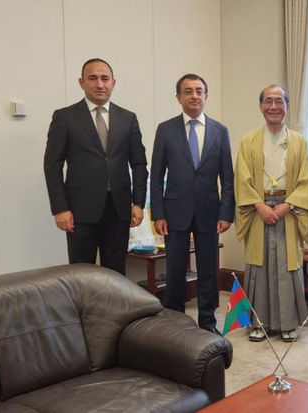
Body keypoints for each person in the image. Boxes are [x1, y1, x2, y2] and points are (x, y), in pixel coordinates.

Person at [44, 58, 147, 275]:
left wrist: (138, 202)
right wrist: (60, 208)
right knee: (81, 273)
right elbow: (52, 165)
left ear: (113, 83)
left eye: (105, 78)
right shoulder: (65, 117)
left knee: (115, 273)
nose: (99, 84)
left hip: (119, 209)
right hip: (79, 211)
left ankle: (114, 301)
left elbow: (139, 163)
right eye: (92, 78)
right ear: (81, 82)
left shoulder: (128, 118)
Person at [150, 74, 234, 334]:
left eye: (199, 91)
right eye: (188, 91)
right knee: (175, 270)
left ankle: (207, 323)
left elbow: (227, 177)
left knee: (208, 271)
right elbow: (156, 175)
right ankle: (176, 325)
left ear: (206, 96)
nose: (194, 96)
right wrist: (158, 214)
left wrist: (226, 212)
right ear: (179, 97)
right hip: (174, 211)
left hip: (209, 211)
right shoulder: (166, 130)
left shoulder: (220, 131)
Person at [234, 85, 308, 342]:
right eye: (268, 101)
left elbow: (307, 180)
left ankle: (289, 323)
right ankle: (260, 323)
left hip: (288, 210)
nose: (273, 107)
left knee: (288, 266)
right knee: (258, 267)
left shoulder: (299, 142)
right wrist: (260, 206)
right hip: (258, 211)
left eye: (279, 101)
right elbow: (242, 179)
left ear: (287, 106)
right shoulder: (248, 141)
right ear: (261, 107)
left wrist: (286, 206)